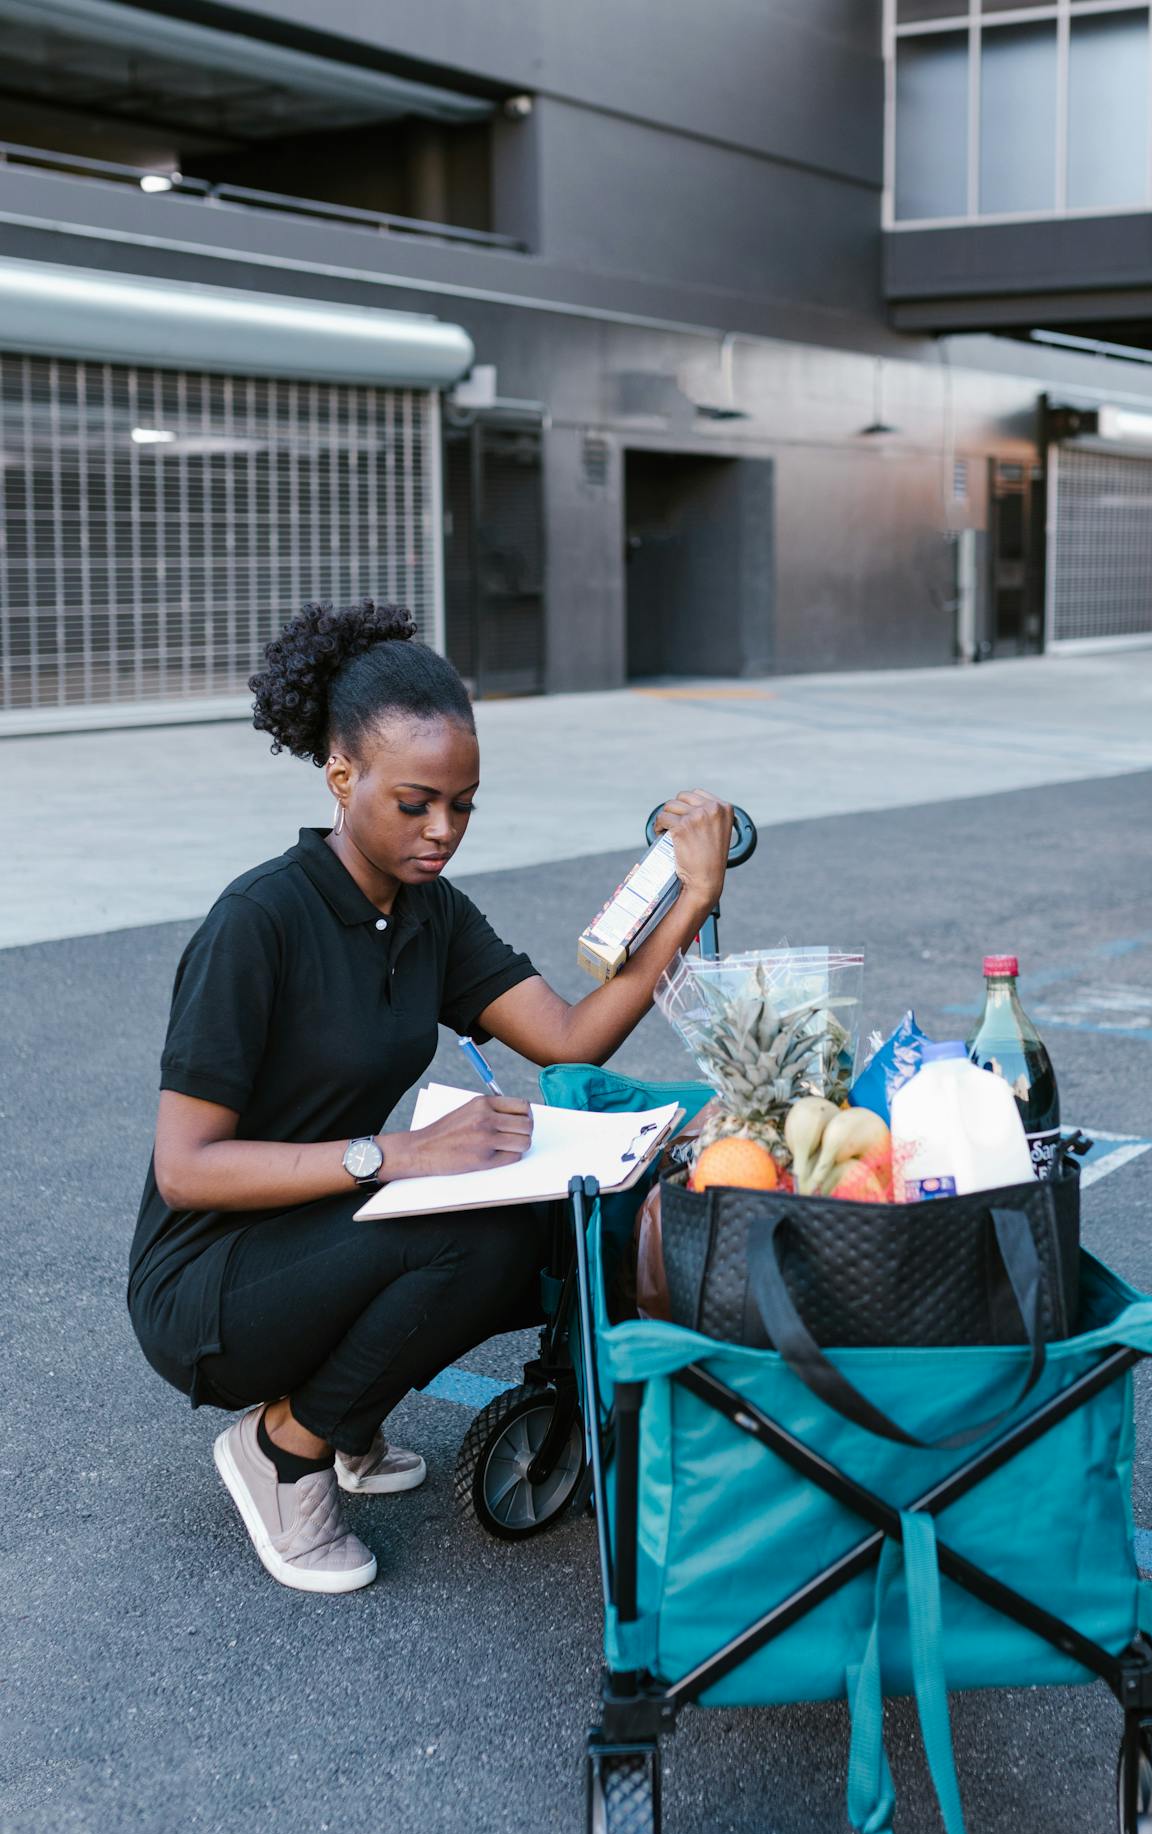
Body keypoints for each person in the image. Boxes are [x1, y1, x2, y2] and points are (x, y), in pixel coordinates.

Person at [127, 599, 733, 1595]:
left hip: (321, 1227)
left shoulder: (428, 914)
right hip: (207, 1283)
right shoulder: (258, 921)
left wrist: (689, 898)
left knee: (540, 1221)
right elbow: (185, 1170)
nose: (442, 829)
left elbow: (571, 1034)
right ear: (341, 776)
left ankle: (340, 1406)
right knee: (469, 1237)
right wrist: (398, 1153)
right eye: (415, 803)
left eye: (463, 804)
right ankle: (285, 1447)